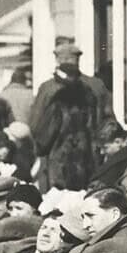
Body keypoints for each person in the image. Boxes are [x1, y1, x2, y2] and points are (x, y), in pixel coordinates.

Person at [33, 42, 115, 191]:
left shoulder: (48, 88)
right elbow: (109, 121)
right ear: (77, 60)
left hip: (57, 158)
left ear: (58, 60)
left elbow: (36, 124)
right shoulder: (96, 85)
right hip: (90, 154)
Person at [0, 68, 33, 133]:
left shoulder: (1, 95)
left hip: (8, 134)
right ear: (24, 81)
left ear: (11, 81)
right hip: (26, 133)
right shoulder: (31, 95)